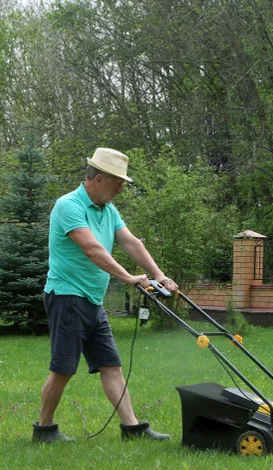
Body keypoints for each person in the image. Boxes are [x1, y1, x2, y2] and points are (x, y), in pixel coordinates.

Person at [32, 148, 179, 443]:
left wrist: (158, 274)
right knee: (63, 369)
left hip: (92, 300)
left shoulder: (107, 210)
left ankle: (132, 428)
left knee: (111, 365)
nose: (121, 189)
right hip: (67, 297)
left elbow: (131, 242)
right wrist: (128, 277)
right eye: (118, 183)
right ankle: (44, 429)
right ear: (99, 179)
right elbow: (92, 248)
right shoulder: (68, 205)